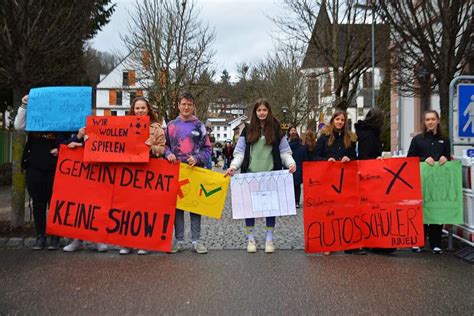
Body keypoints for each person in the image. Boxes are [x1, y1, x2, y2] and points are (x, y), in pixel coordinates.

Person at [224, 99, 296, 253]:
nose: (262, 113)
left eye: (265, 110)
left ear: (269, 111)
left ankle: (269, 239)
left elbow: (284, 151)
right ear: (255, 112)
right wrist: (233, 166)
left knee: (271, 209)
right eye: (259, 110)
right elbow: (240, 152)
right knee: (249, 209)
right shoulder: (247, 130)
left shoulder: (276, 129)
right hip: (250, 176)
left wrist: (290, 163)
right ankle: (251, 238)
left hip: (271, 176)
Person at [14, 95, 70, 250]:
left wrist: (61, 149)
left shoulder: (62, 121)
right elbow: (18, 126)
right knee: (38, 204)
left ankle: (55, 237)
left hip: (55, 169)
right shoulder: (34, 118)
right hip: (35, 168)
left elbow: (72, 138)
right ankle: (40, 236)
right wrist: (24, 105)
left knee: (55, 204)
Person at [165, 92, 211, 254]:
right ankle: (178, 241)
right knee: (177, 208)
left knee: (195, 207)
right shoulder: (171, 126)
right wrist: (167, 154)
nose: (186, 107)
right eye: (183, 104)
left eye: (189, 104)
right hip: (176, 172)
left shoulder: (200, 126)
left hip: (194, 172)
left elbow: (208, 150)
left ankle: (196, 241)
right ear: (179, 105)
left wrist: (197, 158)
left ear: (193, 107)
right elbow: (165, 146)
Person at [119, 96, 166, 255]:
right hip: (129, 172)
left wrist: (151, 148)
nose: (140, 111)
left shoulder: (156, 128)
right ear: (133, 110)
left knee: (145, 209)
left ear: (148, 110)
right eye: (137, 108)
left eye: (143, 108)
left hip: (149, 171)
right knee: (128, 208)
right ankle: (126, 243)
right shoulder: (123, 126)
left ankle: (144, 243)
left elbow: (163, 149)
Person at [314, 110, 358, 255]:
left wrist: (348, 159)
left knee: (345, 212)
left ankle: (345, 241)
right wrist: (326, 161)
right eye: (337, 119)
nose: (340, 122)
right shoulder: (324, 138)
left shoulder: (350, 139)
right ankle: (328, 243)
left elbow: (354, 157)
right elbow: (315, 156)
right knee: (329, 213)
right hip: (328, 181)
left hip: (345, 181)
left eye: (342, 120)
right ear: (333, 120)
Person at [407, 110, 450, 254]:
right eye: (427, 119)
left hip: (438, 182)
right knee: (421, 211)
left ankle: (436, 243)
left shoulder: (445, 140)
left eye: (433, 119)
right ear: (424, 122)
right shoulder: (418, 140)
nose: (430, 122)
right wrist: (422, 160)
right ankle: (419, 242)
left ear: (437, 121)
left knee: (436, 210)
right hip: (421, 181)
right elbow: (409, 159)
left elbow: (448, 159)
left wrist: (446, 159)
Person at [355, 108, 396, 255]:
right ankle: (372, 241)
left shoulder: (366, 132)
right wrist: (376, 160)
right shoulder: (370, 135)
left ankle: (371, 241)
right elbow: (366, 155)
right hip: (370, 176)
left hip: (369, 175)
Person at [288, 127, 307, 208]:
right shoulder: (302, 146)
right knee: (297, 186)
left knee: (290, 186)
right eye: (292, 130)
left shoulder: (287, 145)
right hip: (298, 167)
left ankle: (292, 201)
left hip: (290, 167)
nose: (293, 131)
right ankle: (297, 202)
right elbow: (305, 157)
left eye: (294, 130)